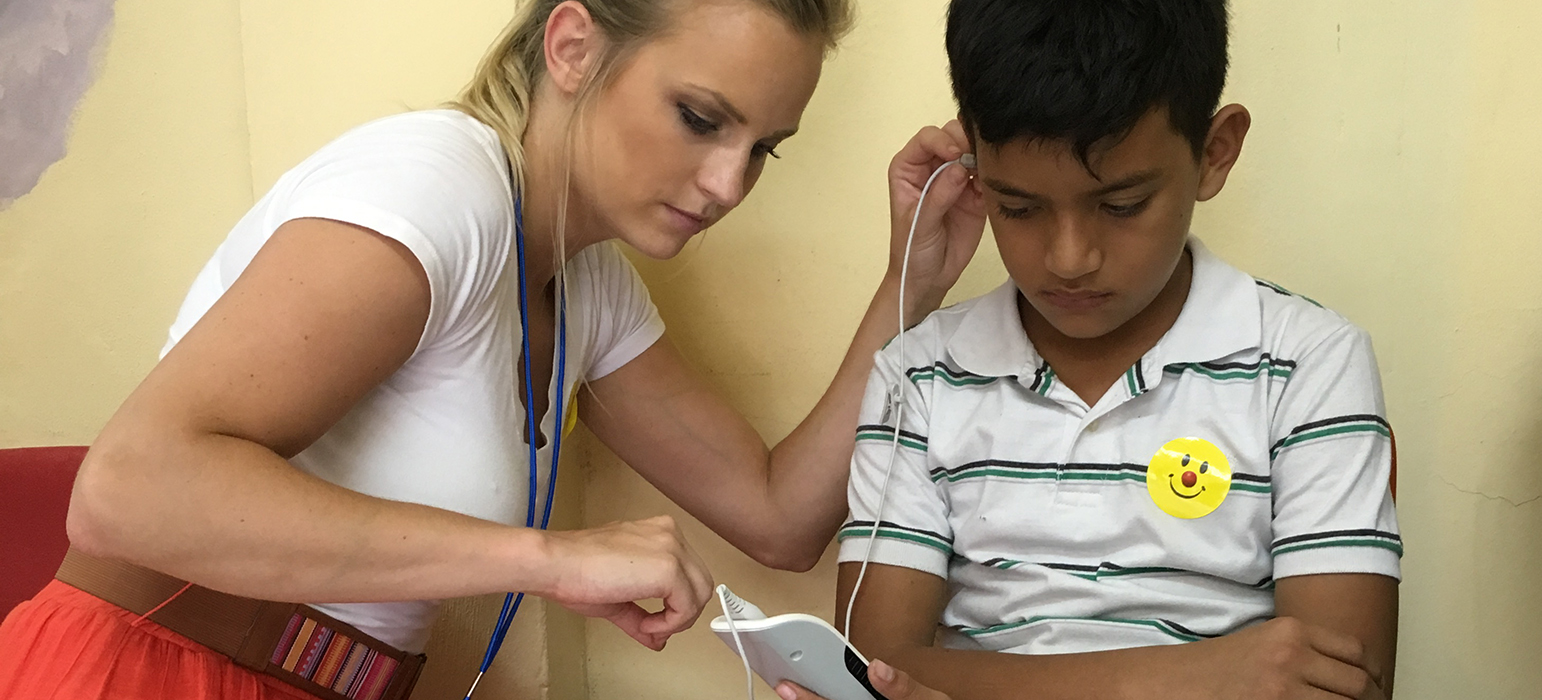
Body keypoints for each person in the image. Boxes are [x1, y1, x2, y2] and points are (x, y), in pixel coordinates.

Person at [0, 0, 990, 698]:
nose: (729, 182)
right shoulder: (436, 189)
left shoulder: (589, 282)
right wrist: (547, 559)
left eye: (763, 146)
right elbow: (126, 491)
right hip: (140, 674)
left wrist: (914, 277)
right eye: (699, 118)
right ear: (571, 46)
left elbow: (778, 517)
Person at [836, 1, 1402, 699]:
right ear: (974, 172)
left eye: (1122, 204)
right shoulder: (919, 375)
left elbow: (1343, 682)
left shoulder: (1306, 364)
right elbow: (869, 671)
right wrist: (1195, 676)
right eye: (1017, 207)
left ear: (1214, 152)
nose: (1069, 259)